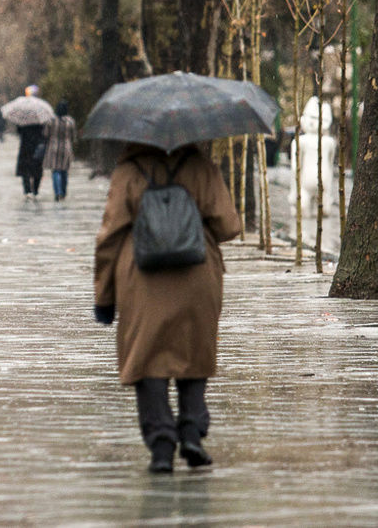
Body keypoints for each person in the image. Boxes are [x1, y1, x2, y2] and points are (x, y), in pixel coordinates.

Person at [93, 143, 240, 473]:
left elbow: (109, 236)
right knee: (194, 351)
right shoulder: (201, 166)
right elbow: (228, 226)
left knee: (147, 358)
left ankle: (161, 445)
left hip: (141, 277)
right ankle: (191, 432)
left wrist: (104, 297)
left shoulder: (129, 170)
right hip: (197, 272)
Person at [43, 100, 76, 200]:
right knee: (64, 171)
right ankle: (64, 192)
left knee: (55, 171)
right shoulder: (70, 121)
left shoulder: (51, 120)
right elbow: (73, 137)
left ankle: (57, 192)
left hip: (53, 147)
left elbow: (45, 134)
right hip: (66, 147)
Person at [15, 123, 45, 200]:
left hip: (26, 146)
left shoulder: (23, 121)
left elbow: (19, 132)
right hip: (37, 146)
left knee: (25, 170)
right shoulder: (40, 122)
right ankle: (35, 190)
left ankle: (27, 190)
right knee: (37, 169)